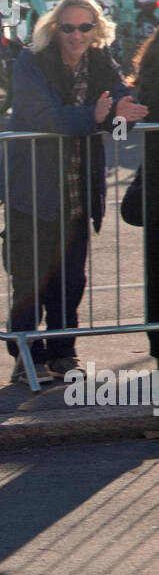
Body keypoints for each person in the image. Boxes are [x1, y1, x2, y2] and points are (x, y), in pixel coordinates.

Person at [0, 0, 147, 382]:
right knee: (29, 278)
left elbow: (119, 92)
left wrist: (124, 108)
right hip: (32, 189)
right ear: (54, 28)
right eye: (68, 27)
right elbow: (40, 114)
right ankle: (26, 357)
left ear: (96, 29)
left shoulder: (98, 59)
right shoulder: (31, 60)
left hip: (79, 190)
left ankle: (64, 352)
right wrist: (93, 115)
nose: (77, 35)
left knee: (71, 278)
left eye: (85, 27)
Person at [127, 27, 159, 367]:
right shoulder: (151, 82)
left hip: (153, 184)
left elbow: (122, 134)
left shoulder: (147, 78)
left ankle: (156, 340)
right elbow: (122, 132)